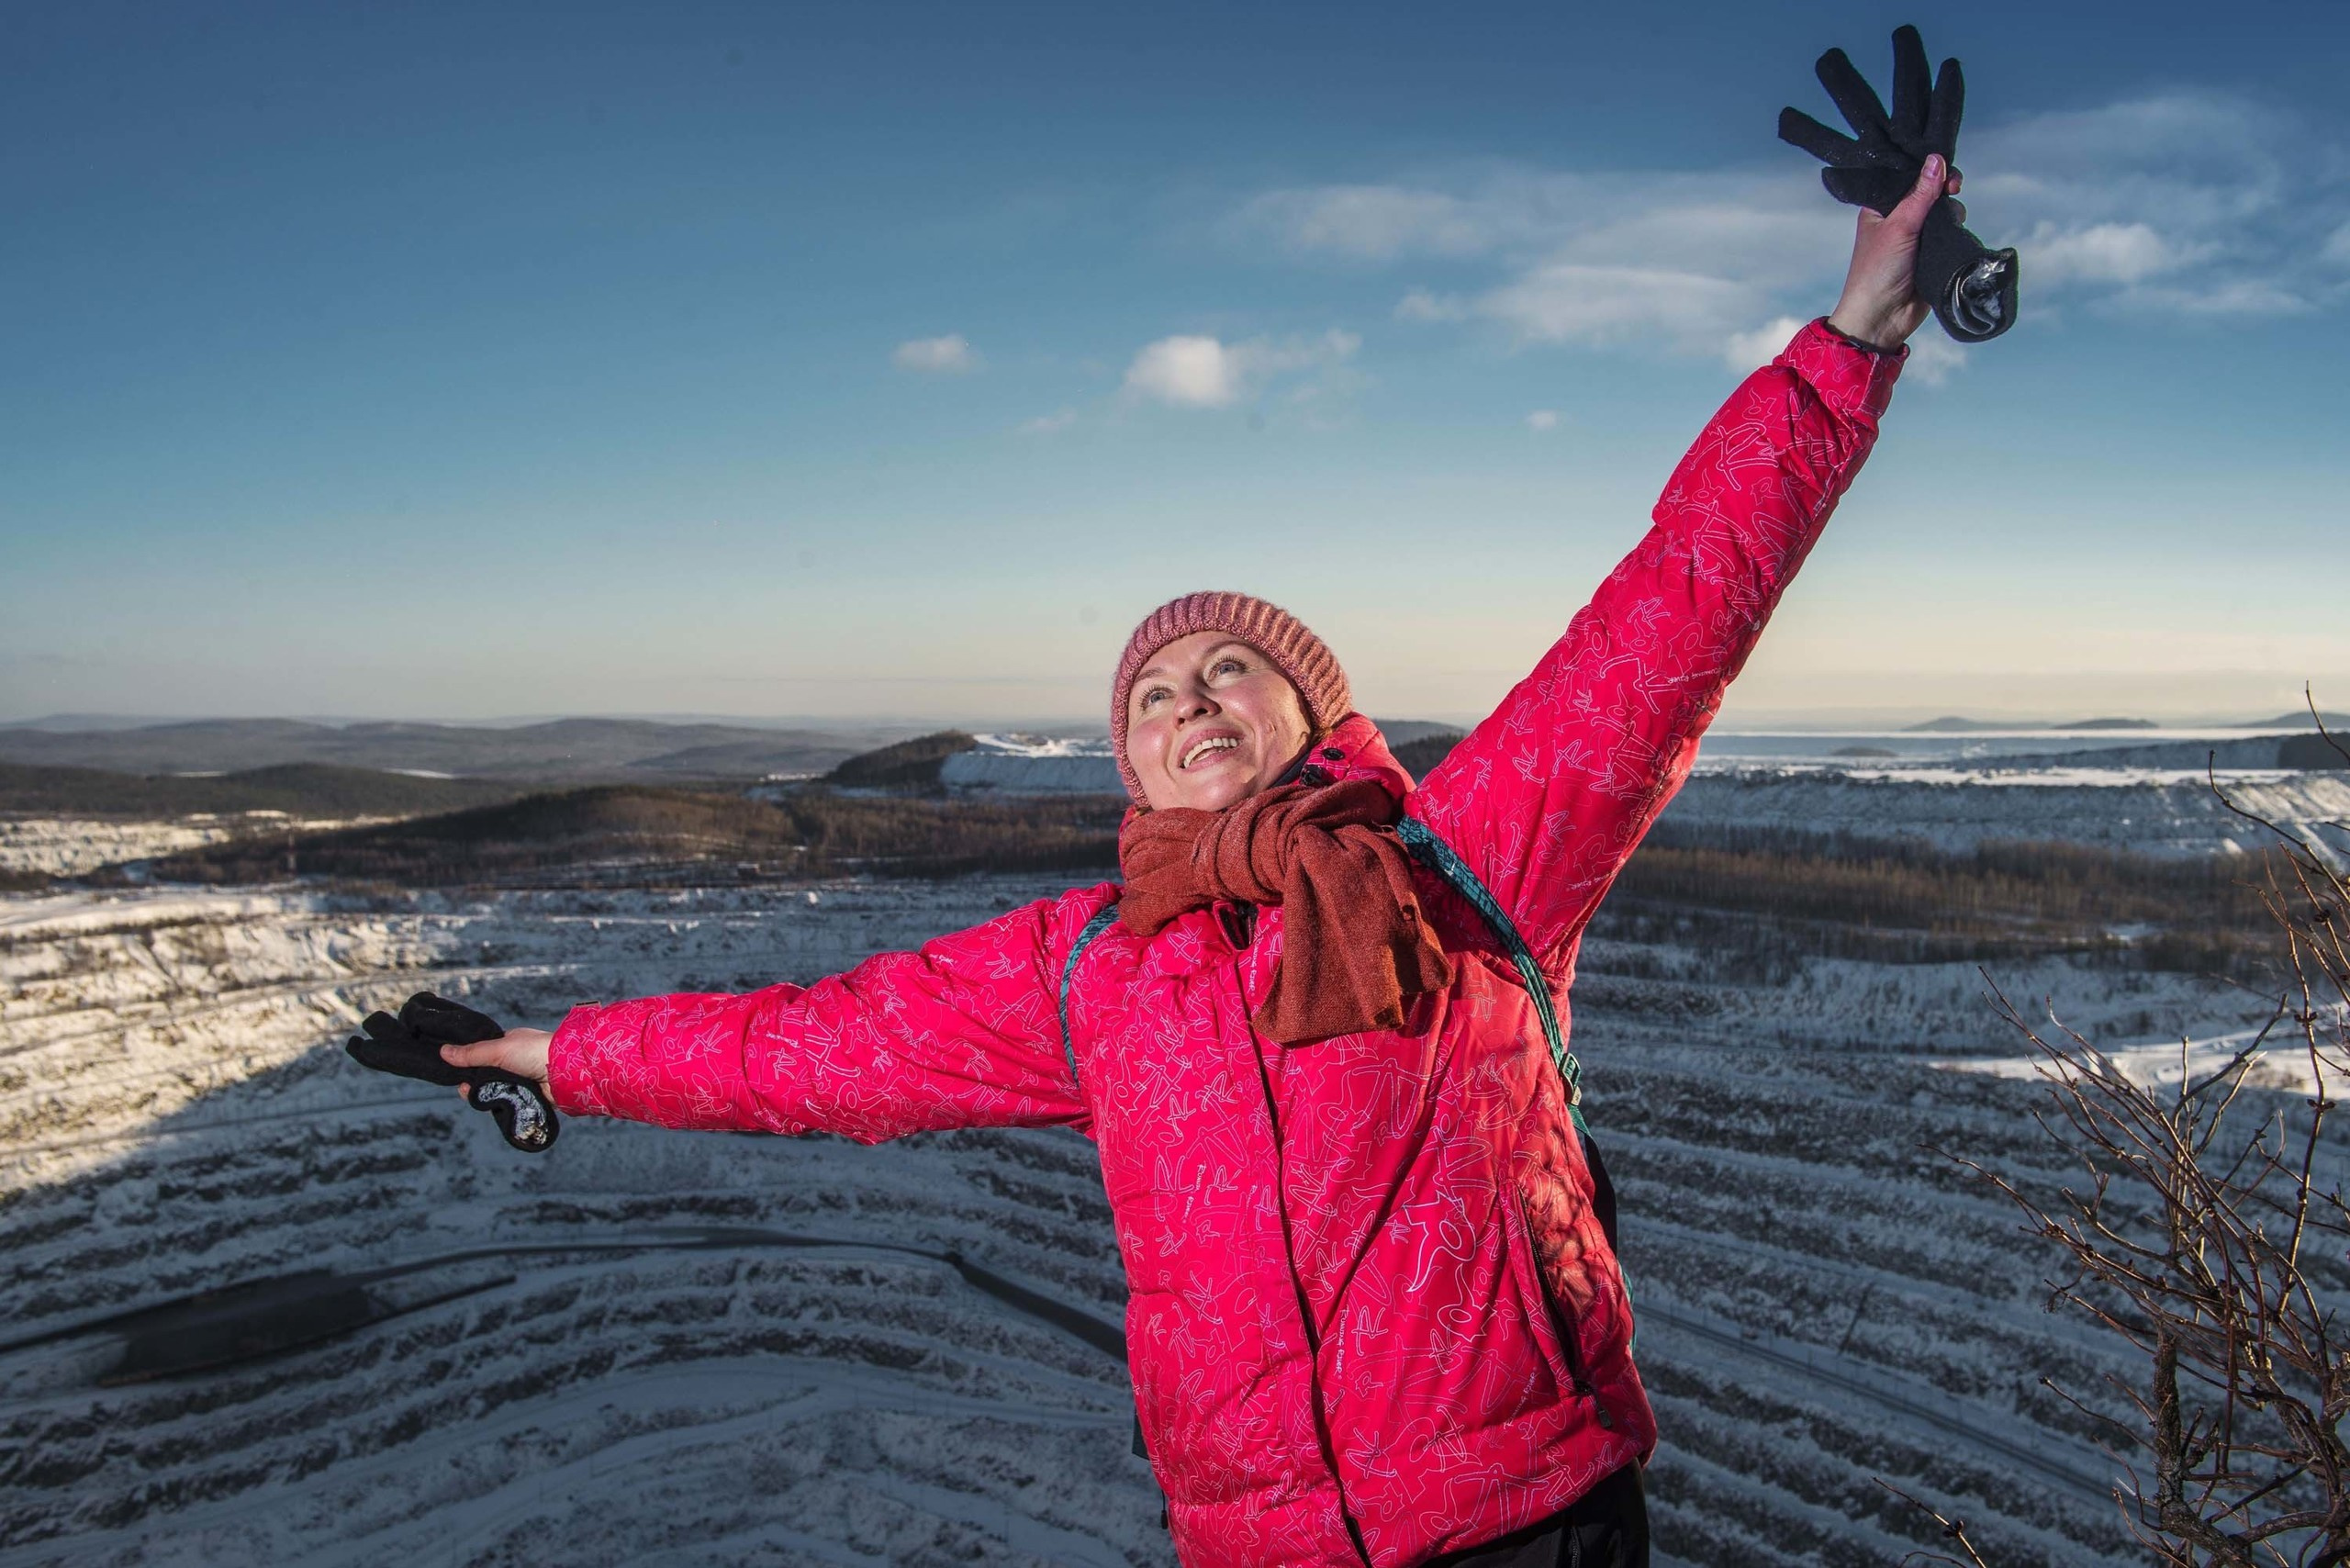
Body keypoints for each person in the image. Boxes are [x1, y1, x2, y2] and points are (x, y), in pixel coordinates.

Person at [448, 151, 1962, 1568]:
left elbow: (1673, 614)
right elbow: (806, 1052)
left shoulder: (1460, 858)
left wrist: (1851, 343)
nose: (1194, 703)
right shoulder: (1096, 968)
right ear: (1136, 762)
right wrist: (553, 1056)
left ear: (1314, 707)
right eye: (1157, 697)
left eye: (1234, 669)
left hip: (1523, 1513)